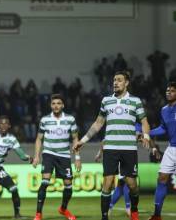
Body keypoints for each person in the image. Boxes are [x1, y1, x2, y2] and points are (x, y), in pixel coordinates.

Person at [73, 71, 152, 220]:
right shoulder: (106, 100)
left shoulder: (135, 101)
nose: (115, 83)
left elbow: (144, 121)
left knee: (132, 185)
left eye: (119, 80)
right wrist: (82, 141)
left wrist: (146, 136)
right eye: (114, 80)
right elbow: (98, 123)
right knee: (107, 183)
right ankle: (104, 217)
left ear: (126, 83)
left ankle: (133, 210)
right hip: (110, 148)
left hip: (129, 148)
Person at [32, 94, 82, 220]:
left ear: (63, 105)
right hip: (48, 154)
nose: (56, 106)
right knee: (45, 182)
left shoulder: (70, 119)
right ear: (50, 105)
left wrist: (77, 158)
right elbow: (39, 139)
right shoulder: (45, 120)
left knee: (68, 185)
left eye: (58, 103)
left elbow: (76, 138)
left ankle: (63, 209)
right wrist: (36, 156)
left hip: (64, 155)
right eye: (53, 103)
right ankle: (38, 213)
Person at [147, 82, 176, 220]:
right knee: (162, 178)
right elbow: (163, 128)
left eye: (172, 90)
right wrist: (148, 132)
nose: (168, 92)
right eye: (167, 90)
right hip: (171, 149)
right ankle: (157, 215)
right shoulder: (164, 110)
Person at [95, 143, 131, 217]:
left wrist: (99, 154)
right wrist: (99, 154)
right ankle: (128, 208)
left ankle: (110, 207)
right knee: (126, 182)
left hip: (118, 157)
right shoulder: (117, 134)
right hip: (120, 157)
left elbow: (103, 142)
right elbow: (103, 142)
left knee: (120, 185)